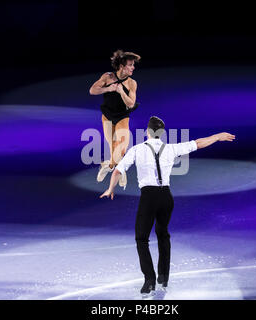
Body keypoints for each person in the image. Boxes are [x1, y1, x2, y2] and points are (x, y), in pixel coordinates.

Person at [100, 116, 236, 296]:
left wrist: (110, 188)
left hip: (149, 197)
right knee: (163, 235)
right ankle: (163, 277)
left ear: (147, 132)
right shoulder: (171, 148)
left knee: (142, 238)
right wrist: (217, 136)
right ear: (162, 133)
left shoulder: (137, 150)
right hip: (166, 197)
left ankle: (149, 280)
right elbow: (198, 143)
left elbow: (118, 170)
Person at [89, 49, 141, 189]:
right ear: (122, 66)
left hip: (122, 117)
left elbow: (130, 104)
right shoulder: (107, 77)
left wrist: (120, 91)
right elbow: (92, 90)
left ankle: (110, 166)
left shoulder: (132, 83)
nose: (133, 67)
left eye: (133, 65)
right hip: (107, 116)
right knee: (113, 148)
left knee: (122, 149)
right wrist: (108, 89)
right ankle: (118, 168)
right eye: (130, 64)